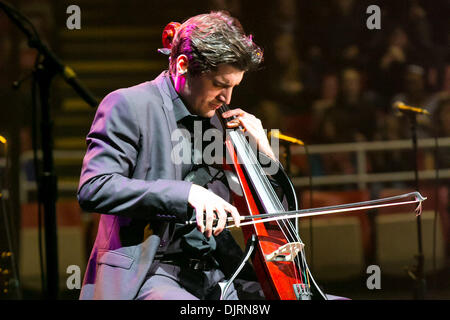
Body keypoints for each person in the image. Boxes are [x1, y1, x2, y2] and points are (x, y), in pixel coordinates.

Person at [77, 11, 275, 300]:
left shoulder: (221, 121)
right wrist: (185, 194)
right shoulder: (129, 105)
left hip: (218, 274)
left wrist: (265, 159)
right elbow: (94, 188)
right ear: (183, 66)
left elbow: (269, 214)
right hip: (151, 273)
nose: (227, 99)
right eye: (220, 85)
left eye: (234, 87)